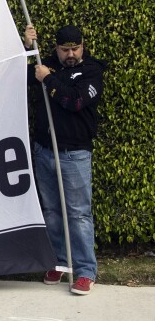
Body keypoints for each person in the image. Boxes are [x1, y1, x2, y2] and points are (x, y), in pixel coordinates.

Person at [23, 24, 106, 296]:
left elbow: (75, 101)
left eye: (75, 48)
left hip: (75, 154)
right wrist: (27, 48)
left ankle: (85, 271)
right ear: (56, 49)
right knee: (51, 212)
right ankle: (60, 263)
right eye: (65, 49)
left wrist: (48, 79)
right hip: (44, 151)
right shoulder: (44, 64)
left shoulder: (92, 71)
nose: (71, 54)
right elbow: (22, 77)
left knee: (79, 213)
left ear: (82, 46)